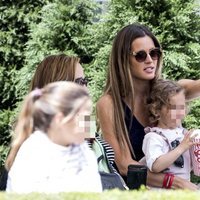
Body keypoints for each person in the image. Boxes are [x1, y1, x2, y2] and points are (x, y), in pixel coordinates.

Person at [96, 23, 200, 190]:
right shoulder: (109, 104)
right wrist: (176, 183)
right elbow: (124, 165)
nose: (150, 60)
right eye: (140, 56)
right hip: (135, 192)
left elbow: (194, 86)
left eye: (154, 53)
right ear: (123, 59)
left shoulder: (168, 93)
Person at [5, 81, 102, 193]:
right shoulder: (33, 152)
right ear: (59, 119)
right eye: (83, 116)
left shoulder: (84, 149)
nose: (88, 122)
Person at [142, 79, 200, 188]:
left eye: (182, 107)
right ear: (156, 110)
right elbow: (155, 166)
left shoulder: (182, 134)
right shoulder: (153, 137)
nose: (179, 113)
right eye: (173, 108)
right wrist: (181, 147)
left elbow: (187, 167)